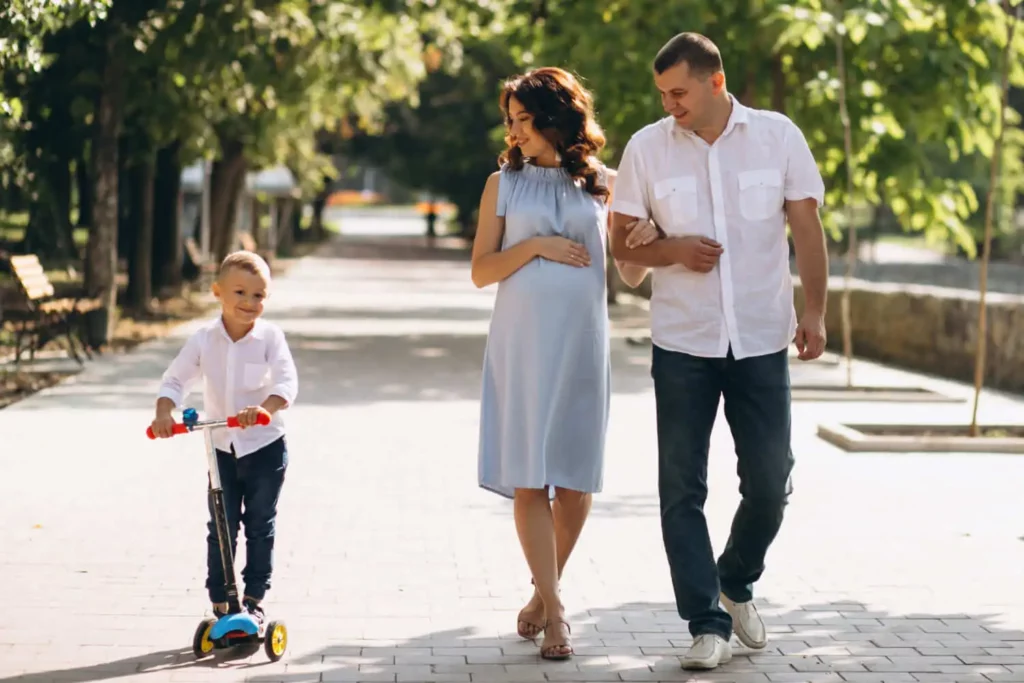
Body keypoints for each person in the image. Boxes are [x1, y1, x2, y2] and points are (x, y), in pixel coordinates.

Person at [609, 32, 828, 670]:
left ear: (715, 81)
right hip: (682, 342)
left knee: (770, 483)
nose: (669, 103)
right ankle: (705, 622)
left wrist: (813, 310)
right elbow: (623, 248)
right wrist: (670, 251)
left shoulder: (778, 136)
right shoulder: (647, 149)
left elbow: (807, 229)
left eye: (678, 92)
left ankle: (735, 582)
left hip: (761, 338)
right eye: (662, 94)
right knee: (681, 488)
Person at [471, 66, 658, 661]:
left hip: (581, 341)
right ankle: (556, 614)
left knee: (576, 481)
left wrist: (649, 242)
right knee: (531, 477)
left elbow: (629, 272)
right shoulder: (502, 184)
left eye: (526, 119)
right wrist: (535, 247)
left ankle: (539, 595)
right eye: (512, 121)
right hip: (521, 344)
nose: (517, 130)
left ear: (557, 117)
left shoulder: (604, 184)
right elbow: (481, 271)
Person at [150, 250, 299, 627]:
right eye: (240, 293)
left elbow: (286, 382)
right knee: (221, 524)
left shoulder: (270, 338)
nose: (250, 303)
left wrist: (264, 407)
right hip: (221, 450)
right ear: (217, 292)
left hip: (265, 447)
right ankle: (221, 601)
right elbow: (174, 379)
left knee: (260, 523)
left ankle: (254, 598)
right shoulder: (203, 340)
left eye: (259, 295)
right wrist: (165, 411)